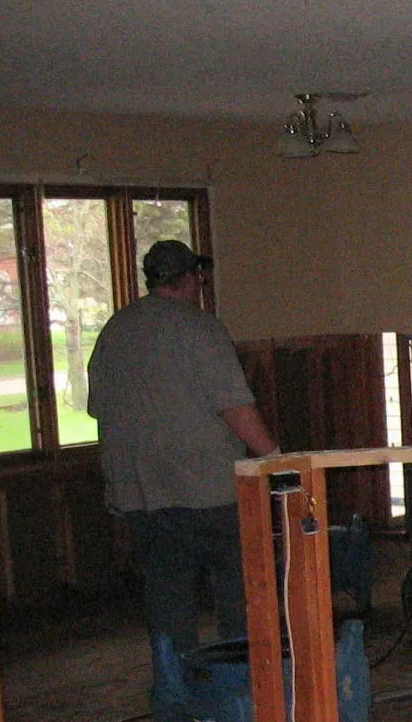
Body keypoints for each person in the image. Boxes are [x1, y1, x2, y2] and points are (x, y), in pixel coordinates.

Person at [87, 239, 278, 653]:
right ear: (190, 278)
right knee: (239, 590)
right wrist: (276, 461)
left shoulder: (114, 331)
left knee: (167, 598)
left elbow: (100, 411)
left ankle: (176, 682)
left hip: (143, 495)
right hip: (209, 492)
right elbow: (235, 408)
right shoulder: (200, 329)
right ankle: (241, 675)